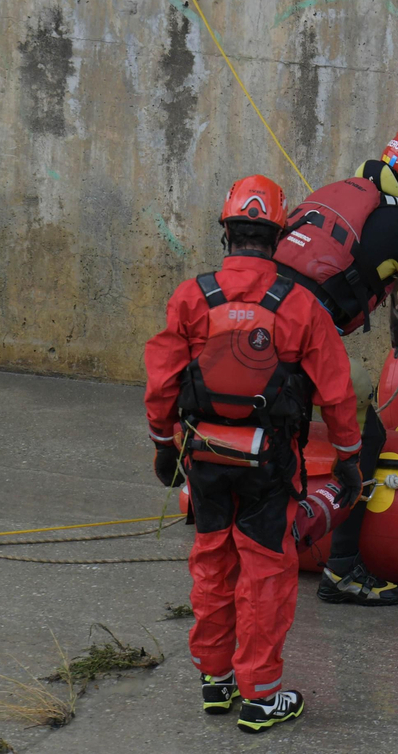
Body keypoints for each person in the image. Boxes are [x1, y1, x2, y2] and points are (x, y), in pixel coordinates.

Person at [144, 175, 365, 733]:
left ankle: (215, 679)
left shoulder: (191, 297)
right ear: (279, 236)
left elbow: (162, 383)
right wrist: (349, 458)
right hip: (270, 463)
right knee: (265, 572)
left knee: (212, 561)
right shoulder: (301, 305)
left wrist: (165, 446)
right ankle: (262, 696)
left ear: (227, 233)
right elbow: (337, 392)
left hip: (204, 456)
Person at [272, 130, 398, 607]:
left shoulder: (336, 193)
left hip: (255, 329)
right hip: (301, 338)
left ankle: (260, 539)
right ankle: (342, 569)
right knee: (369, 433)